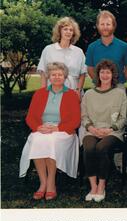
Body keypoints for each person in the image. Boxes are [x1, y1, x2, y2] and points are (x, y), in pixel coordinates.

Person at [19, 62, 81, 200]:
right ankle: (43, 183)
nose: (57, 77)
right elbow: (30, 117)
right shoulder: (39, 94)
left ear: (65, 77)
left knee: (51, 141)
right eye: (53, 75)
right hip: (42, 128)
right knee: (37, 139)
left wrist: (58, 128)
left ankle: (51, 183)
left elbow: (76, 121)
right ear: (49, 77)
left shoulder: (71, 95)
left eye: (60, 74)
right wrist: (38, 127)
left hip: (64, 131)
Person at [81, 60, 127, 202]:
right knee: (88, 148)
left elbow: (123, 118)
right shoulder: (89, 94)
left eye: (108, 72)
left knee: (101, 147)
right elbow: (84, 116)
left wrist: (110, 129)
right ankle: (93, 186)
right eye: (102, 72)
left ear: (113, 74)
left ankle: (102, 186)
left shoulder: (119, 93)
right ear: (97, 74)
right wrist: (92, 128)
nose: (105, 75)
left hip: (113, 132)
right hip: (93, 130)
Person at [37, 17, 86, 96]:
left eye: (71, 30)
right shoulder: (48, 49)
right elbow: (43, 73)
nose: (68, 32)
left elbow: (82, 74)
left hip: (73, 92)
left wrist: (78, 91)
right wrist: (43, 93)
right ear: (59, 31)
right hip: (53, 92)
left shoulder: (79, 52)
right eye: (65, 29)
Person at [86, 10, 127, 87]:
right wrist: (99, 82)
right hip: (99, 87)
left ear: (113, 26)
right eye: (102, 24)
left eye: (108, 24)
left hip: (118, 87)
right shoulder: (92, 47)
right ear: (97, 26)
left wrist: (121, 81)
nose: (105, 27)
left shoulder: (124, 46)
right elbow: (90, 69)